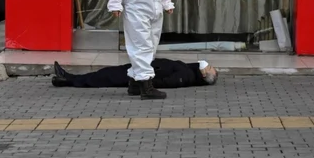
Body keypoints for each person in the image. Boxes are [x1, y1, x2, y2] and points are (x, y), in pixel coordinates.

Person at [51, 59, 218, 90]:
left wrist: (143, 81)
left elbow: (166, 82)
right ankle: (67, 78)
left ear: (204, 75)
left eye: (210, 67)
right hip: (141, 67)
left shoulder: (187, 76)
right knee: (104, 73)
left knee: (103, 78)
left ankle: (66, 80)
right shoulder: (190, 70)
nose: (209, 65)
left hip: (140, 74)